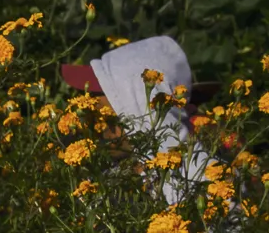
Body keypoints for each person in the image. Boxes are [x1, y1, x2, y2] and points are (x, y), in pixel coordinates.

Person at [59, 34, 213, 205]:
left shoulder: (210, 184)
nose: (86, 108)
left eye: (93, 96)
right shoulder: (108, 186)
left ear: (131, 102)